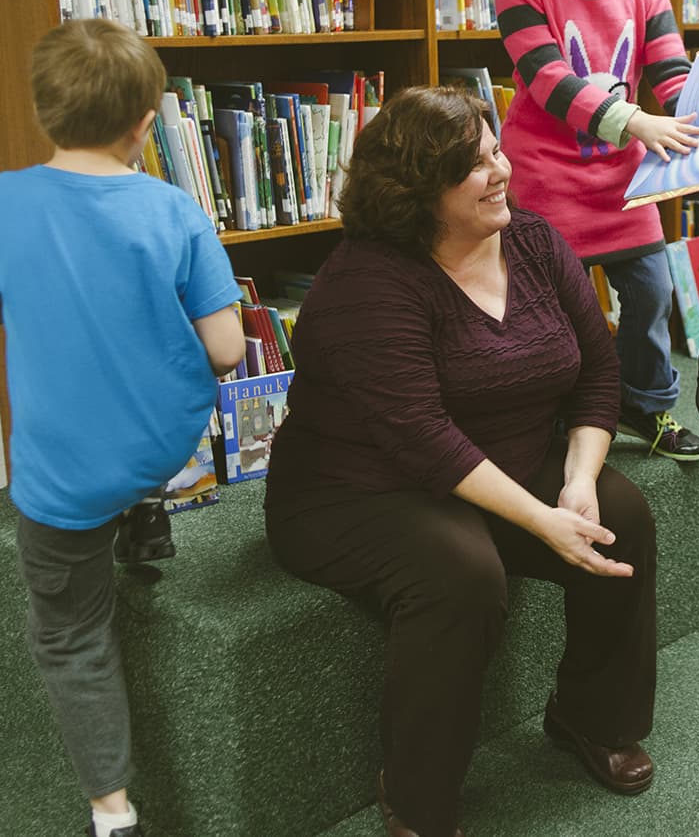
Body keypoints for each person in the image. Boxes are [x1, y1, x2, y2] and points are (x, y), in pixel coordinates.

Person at [262, 86, 659, 837]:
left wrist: (576, 482)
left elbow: (598, 374)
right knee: (461, 573)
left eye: (496, 151)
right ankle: (416, 801)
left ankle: (590, 717)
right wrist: (542, 519)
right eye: (474, 167)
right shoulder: (366, 282)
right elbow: (421, 436)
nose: (501, 171)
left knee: (622, 514)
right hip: (357, 489)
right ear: (418, 190)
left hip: (499, 464)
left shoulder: (535, 243)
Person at [0, 19, 245, 837]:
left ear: (44, 112)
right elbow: (224, 349)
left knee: (72, 635)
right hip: (162, 441)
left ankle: (113, 814)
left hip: (67, 473)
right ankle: (147, 505)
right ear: (147, 125)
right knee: (141, 413)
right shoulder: (172, 207)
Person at [494, 0, 699, 461]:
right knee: (552, 311)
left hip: (623, 182)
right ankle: (551, 415)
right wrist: (635, 120)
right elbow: (550, 80)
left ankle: (641, 404)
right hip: (547, 181)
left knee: (654, 291)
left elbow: (671, 71)